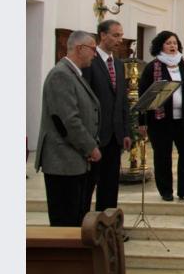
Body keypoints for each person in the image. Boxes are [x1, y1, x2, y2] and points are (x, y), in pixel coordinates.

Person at [35, 31, 102, 226]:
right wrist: (90, 147)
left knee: (77, 219)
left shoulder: (73, 74)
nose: (95, 54)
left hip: (75, 160)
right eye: (93, 49)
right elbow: (67, 120)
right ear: (80, 49)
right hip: (63, 161)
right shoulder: (61, 75)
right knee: (66, 221)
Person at [138, 31, 184, 202]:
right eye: (168, 43)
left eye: (175, 43)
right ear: (160, 46)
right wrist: (142, 122)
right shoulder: (152, 67)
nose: (172, 46)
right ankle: (166, 190)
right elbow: (143, 96)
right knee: (163, 156)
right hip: (160, 121)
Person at [83, 20, 131, 212]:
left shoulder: (118, 64)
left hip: (114, 135)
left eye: (121, 36)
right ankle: (86, 223)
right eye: (116, 35)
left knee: (110, 185)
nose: (120, 40)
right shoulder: (89, 62)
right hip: (95, 135)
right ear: (103, 35)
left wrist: (126, 131)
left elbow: (122, 101)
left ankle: (108, 223)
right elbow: (85, 100)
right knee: (88, 185)